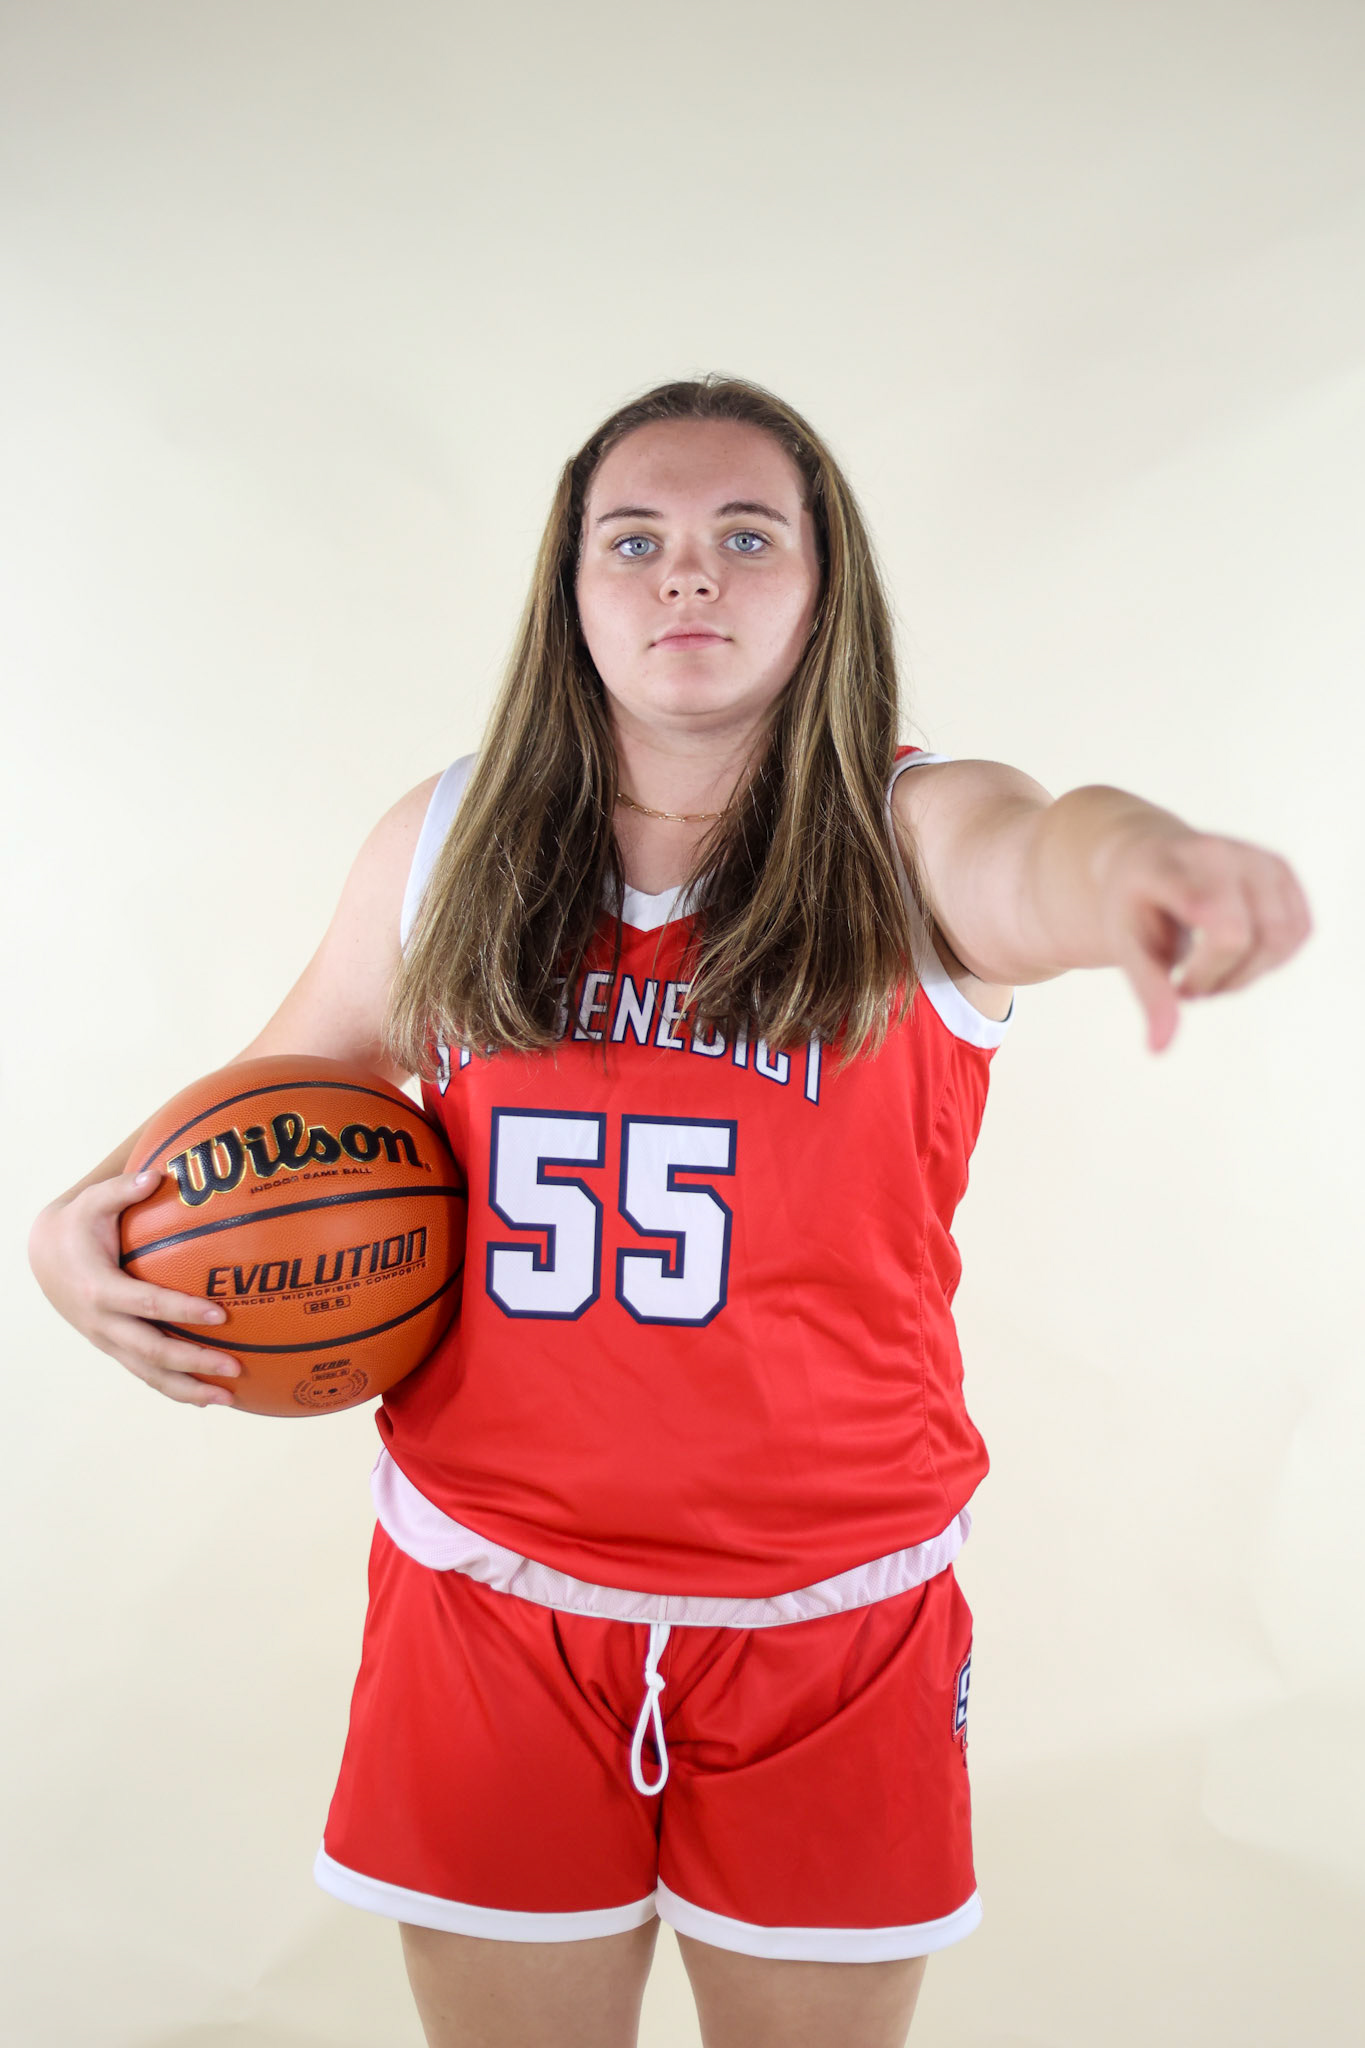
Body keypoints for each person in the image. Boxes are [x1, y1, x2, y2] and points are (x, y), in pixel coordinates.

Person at [29, 375, 1311, 2048]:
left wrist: (1149, 864)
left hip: (828, 1616)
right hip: (489, 1594)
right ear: (569, 597)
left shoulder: (906, 832)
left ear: (821, 586)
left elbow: (1043, 849)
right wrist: (82, 1225)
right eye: (633, 541)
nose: (685, 575)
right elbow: (274, 1097)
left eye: (742, 537)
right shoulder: (449, 839)